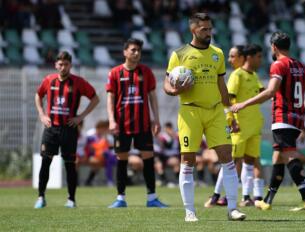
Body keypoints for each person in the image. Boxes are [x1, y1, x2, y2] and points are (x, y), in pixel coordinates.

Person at [164, 12, 246, 222]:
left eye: (210, 29)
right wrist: (175, 91)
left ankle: (232, 209)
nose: (209, 33)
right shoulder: (179, 54)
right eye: (204, 29)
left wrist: (231, 114)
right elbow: (166, 84)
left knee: (228, 157)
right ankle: (189, 211)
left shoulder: (217, 53)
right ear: (194, 30)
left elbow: (222, 86)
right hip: (190, 111)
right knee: (188, 160)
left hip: (216, 111)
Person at [232, 31, 305, 211]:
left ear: (274, 47)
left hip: (282, 117)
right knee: (277, 157)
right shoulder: (301, 66)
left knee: (289, 154)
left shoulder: (278, 65)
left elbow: (270, 92)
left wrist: (244, 104)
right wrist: (300, 111)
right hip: (296, 119)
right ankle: (267, 200)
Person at [106, 38, 168, 208]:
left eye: (139, 50)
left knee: (148, 158)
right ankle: (120, 198)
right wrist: (111, 120)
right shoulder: (115, 73)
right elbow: (110, 98)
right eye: (133, 50)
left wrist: (156, 119)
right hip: (122, 125)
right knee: (122, 159)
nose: (136, 53)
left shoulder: (146, 72)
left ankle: (152, 198)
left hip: (143, 125)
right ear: (125, 52)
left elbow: (152, 96)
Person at [34, 51, 99, 208]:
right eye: (60, 64)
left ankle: (71, 199)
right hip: (51, 129)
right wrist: (42, 115)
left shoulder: (78, 82)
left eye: (66, 64)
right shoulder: (49, 80)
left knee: (70, 164)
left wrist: (80, 117)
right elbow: (38, 95)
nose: (63, 67)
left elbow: (95, 98)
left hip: (69, 130)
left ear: (70, 65)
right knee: (46, 162)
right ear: (56, 64)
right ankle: (41, 197)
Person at [205, 44, 265, 208]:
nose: (230, 60)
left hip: (254, 126)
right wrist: (232, 120)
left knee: (250, 161)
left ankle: (247, 197)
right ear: (249, 57)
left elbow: (264, 93)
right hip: (240, 126)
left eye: (232, 56)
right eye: (259, 56)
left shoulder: (253, 76)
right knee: (231, 161)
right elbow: (229, 100)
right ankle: (216, 196)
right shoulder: (236, 75)